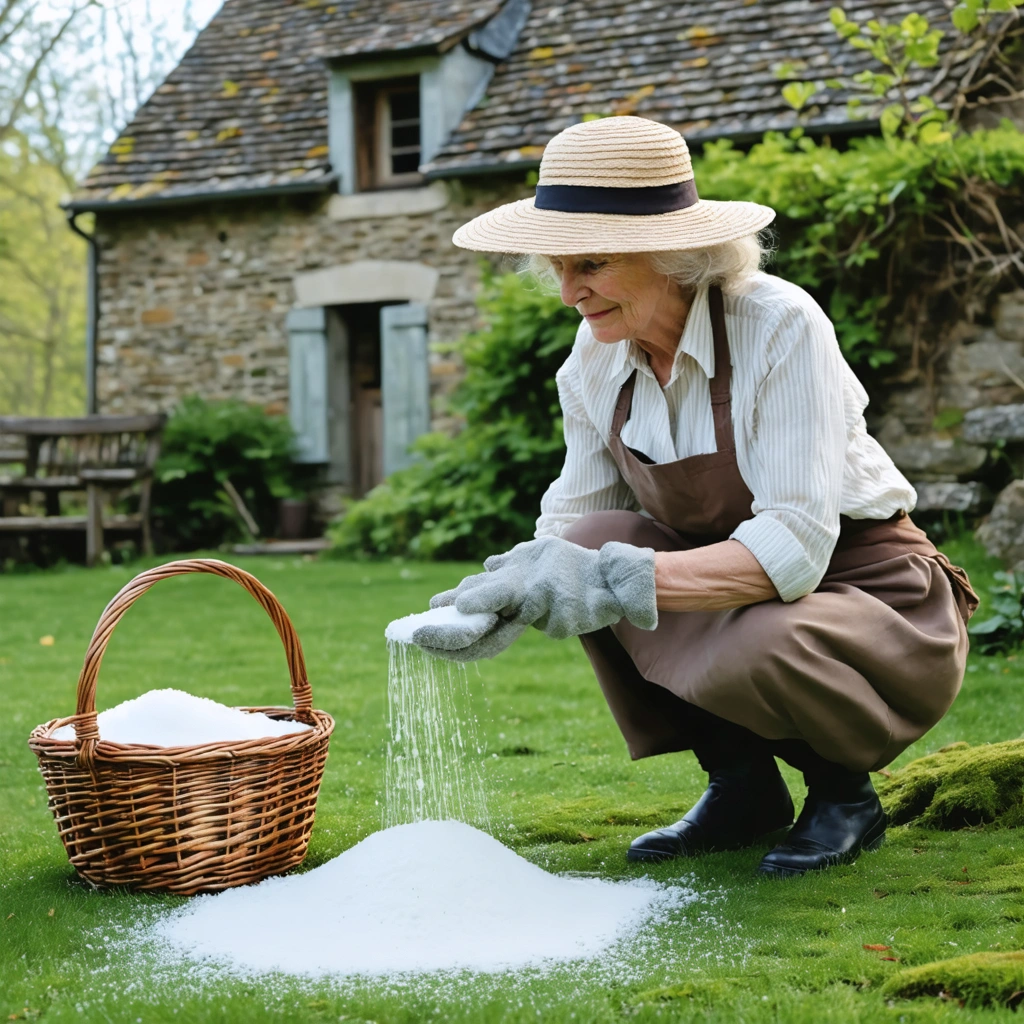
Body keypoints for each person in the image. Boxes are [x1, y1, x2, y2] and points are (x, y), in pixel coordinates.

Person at [408, 116, 978, 878]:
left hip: (867, 596)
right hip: (732, 595)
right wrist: (513, 588)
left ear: (672, 255)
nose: (569, 290)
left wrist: (613, 578)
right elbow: (575, 519)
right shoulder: (595, 352)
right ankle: (742, 789)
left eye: (593, 263)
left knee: (744, 639)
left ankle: (845, 796)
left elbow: (797, 547)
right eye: (558, 264)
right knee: (577, 550)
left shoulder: (778, 324)